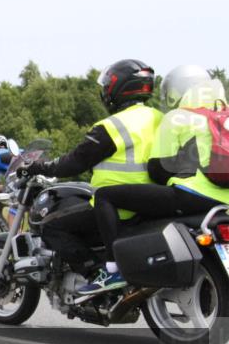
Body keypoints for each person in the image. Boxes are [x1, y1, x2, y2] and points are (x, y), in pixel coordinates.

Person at [26, 59, 163, 295]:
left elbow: (74, 162)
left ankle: (96, 273)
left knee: (52, 227)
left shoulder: (112, 126)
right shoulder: (161, 119)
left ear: (118, 89)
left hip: (117, 209)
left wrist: (40, 167)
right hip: (152, 204)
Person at [92, 67, 228, 282]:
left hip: (191, 196)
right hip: (223, 201)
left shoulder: (177, 118)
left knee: (105, 196)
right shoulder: (224, 116)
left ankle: (114, 270)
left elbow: (158, 169)